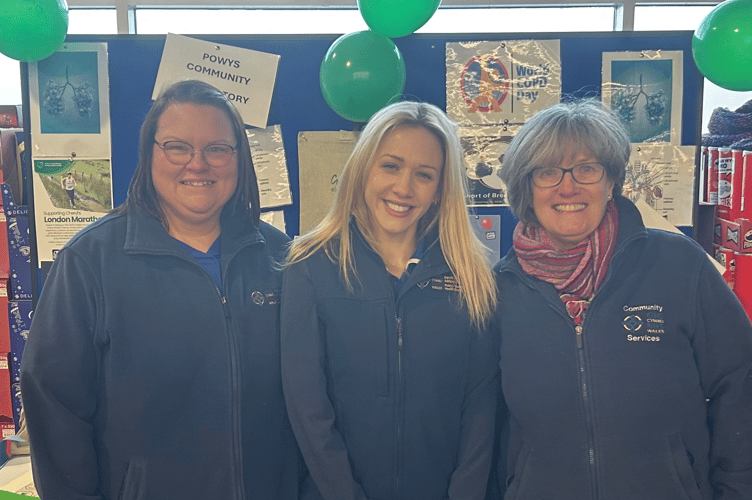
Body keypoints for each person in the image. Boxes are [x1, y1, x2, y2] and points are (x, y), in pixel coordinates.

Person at [21, 80, 300, 499]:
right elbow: (54, 404)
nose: (198, 164)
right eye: (177, 146)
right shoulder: (90, 262)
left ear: (238, 158)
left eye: (217, 149)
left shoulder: (284, 260)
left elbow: (314, 404)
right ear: (150, 153)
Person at [493, 99, 752, 500]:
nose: (568, 186)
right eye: (547, 172)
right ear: (526, 189)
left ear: (611, 181)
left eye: (587, 168)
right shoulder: (498, 291)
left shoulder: (680, 265)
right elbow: (486, 424)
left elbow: (740, 383)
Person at [281, 101, 499, 500]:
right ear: (363, 169)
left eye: (424, 175)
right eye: (391, 166)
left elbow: (481, 407)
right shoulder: (311, 266)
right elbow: (307, 409)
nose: (404, 188)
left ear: (439, 189)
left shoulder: (472, 275)